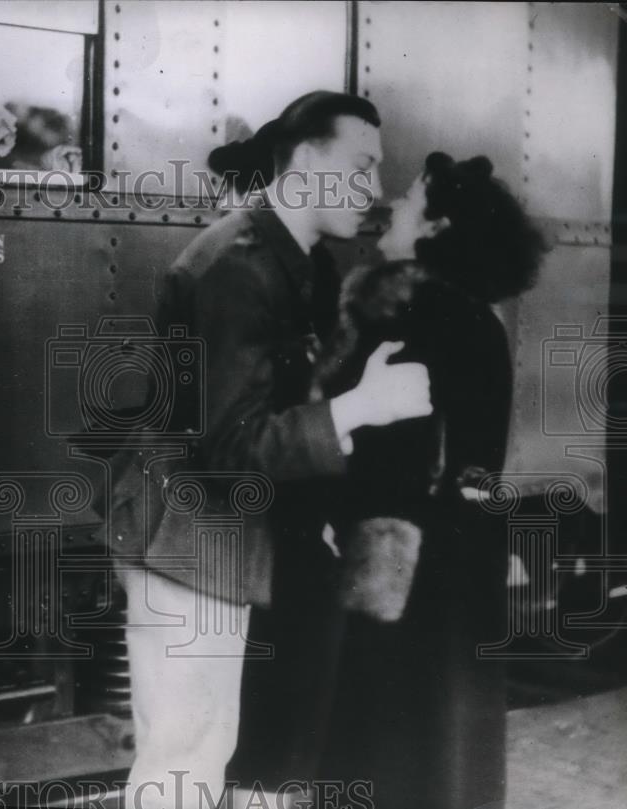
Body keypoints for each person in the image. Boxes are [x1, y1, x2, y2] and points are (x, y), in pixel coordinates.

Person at [105, 91, 434, 809]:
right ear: (310, 160)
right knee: (184, 761)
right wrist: (359, 407)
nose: (373, 190)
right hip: (189, 540)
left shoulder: (295, 261)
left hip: (216, 540)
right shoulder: (239, 267)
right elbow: (231, 442)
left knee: (203, 751)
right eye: (362, 166)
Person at [316, 152, 545, 809]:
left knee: (383, 742)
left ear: (437, 225)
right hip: (457, 561)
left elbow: (380, 451)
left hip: (400, 564)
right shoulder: (479, 317)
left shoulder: (412, 313)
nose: (391, 204)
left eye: (410, 198)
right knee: (448, 749)